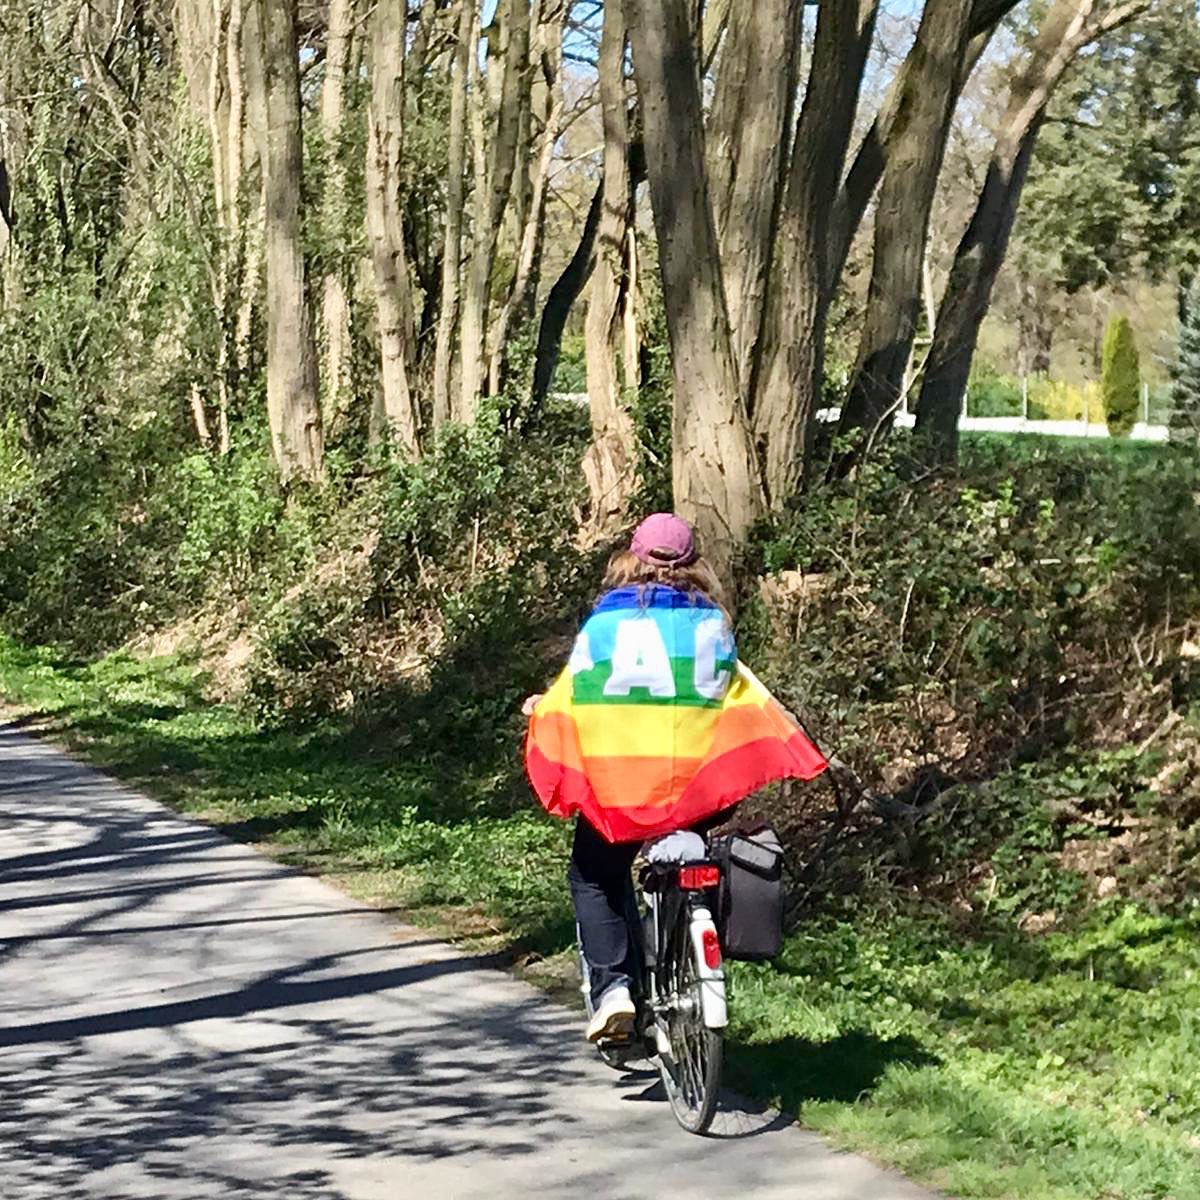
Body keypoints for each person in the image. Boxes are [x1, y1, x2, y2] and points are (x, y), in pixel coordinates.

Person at [523, 513, 826, 1042]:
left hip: (621, 789)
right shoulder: (712, 625)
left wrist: (541, 709)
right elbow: (732, 700)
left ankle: (615, 988)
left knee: (593, 875)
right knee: (687, 837)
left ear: (632, 558)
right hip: (696, 792)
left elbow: (576, 698)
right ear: (693, 565)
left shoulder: (604, 627)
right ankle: (685, 927)